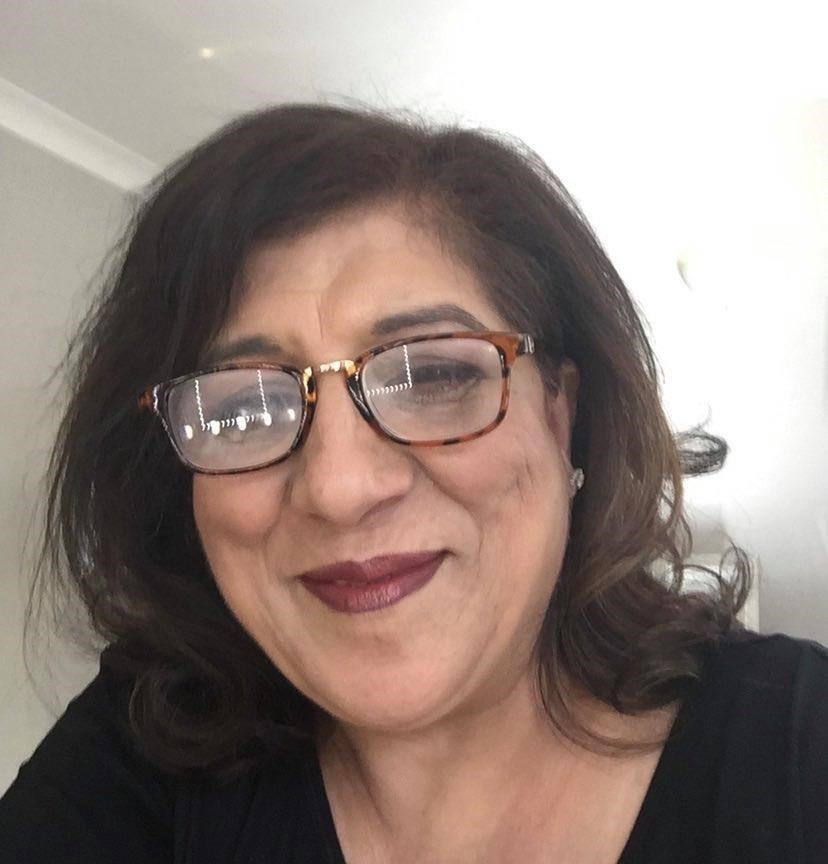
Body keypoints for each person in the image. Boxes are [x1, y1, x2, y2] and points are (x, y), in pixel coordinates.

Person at [1, 104, 826, 863]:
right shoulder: (150, 746)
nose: (339, 488)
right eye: (244, 407)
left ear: (561, 414)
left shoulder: (798, 749)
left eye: (432, 375)